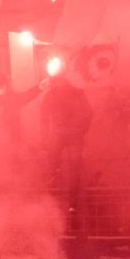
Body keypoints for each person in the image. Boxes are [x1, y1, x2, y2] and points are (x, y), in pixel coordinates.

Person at [40, 75, 92, 212]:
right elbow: (89, 113)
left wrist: (45, 137)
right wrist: (82, 129)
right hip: (74, 134)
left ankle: (54, 173)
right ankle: (72, 204)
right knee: (74, 167)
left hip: (63, 133)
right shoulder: (77, 93)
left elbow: (43, 117)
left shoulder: (53, 94)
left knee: (53, 155)